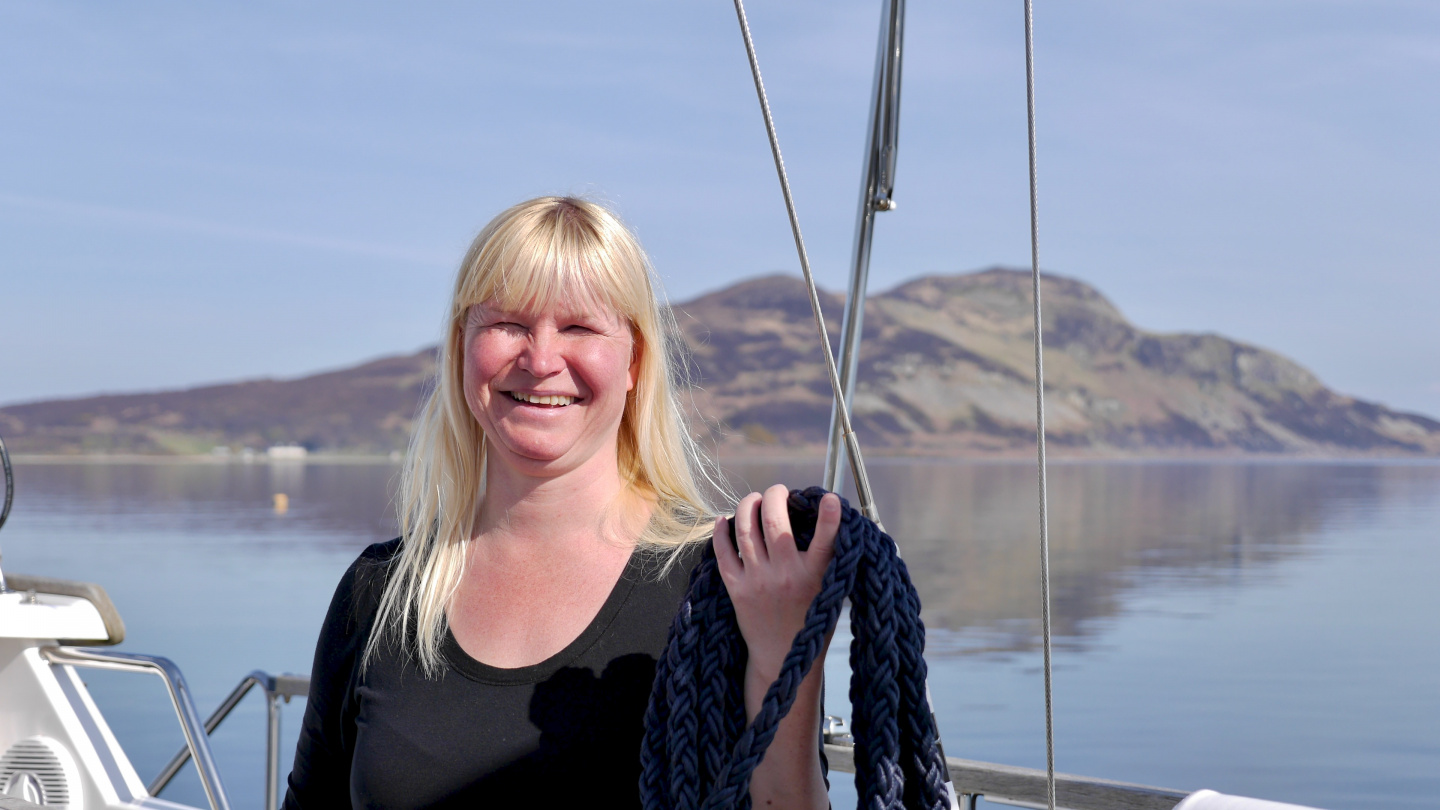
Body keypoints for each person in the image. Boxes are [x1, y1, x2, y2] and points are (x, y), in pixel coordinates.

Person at [283, 196, 841, 809]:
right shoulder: (380, 593)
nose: (541, 360)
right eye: (508, 324)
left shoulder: (723, 586)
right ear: (462, 347)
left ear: (635, 361)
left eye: (578, 327)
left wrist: (788, 659)